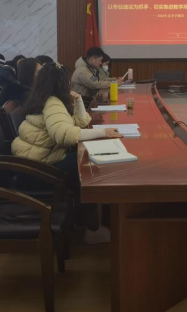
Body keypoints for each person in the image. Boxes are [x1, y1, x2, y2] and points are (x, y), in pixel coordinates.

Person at [12, 63, 121, 244]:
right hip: (36, 170)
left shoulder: (48, 99)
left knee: (86, 160)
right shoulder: (52, 103)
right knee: (89, 165)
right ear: (60, 82)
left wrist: (77, 101)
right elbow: (65, 136)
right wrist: (103, 132)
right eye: (67, 80)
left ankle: (90, 221)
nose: (70, 83)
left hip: (35, 163)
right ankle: (92, 228)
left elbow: (81, 122)